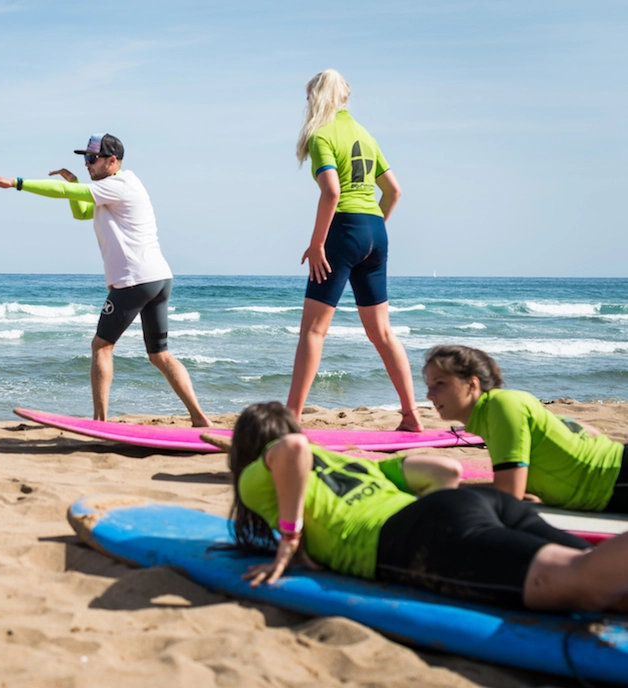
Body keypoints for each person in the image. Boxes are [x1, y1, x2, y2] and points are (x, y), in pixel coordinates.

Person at [228, 401, 628, 613]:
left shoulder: (253, 479)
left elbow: (293, 449)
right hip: (474, 503)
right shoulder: (354, 461)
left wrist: (290, 538)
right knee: (610, 583)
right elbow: (444, 467)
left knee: (584, 583)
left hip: (405, 535)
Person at [0, 134, 211, 427]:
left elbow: (64, 195)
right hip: (158, 279)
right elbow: (82, 212)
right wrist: (75, 184)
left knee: (101, 346)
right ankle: (199, 417)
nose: (87, 164)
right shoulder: (116, 186)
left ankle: (100, 421)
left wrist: (18, 182)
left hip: (134, 280)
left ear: (111, 161)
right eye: (85, 158)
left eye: (92, 159)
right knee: (159, 355)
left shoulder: (118, 184)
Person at [287, 69, 422, 432]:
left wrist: (318, 244)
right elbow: (394, 191)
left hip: (343, 229)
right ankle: (411, 415)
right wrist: (372, 230)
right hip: (375, 230)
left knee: (313, 333)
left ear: (316, 98)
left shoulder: (321, 136)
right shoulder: (366, 134)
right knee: (382, 333)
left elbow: (331, 191)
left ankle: (292, 418)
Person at [423, 344, 627, 513]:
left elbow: (509, 494)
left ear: (472, 384)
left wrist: (444, 488)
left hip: (614, 479)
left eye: (439, 383)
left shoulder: (501, 405)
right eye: (428, 385)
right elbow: (588, 430)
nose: (429, 395)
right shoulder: (501, 406)